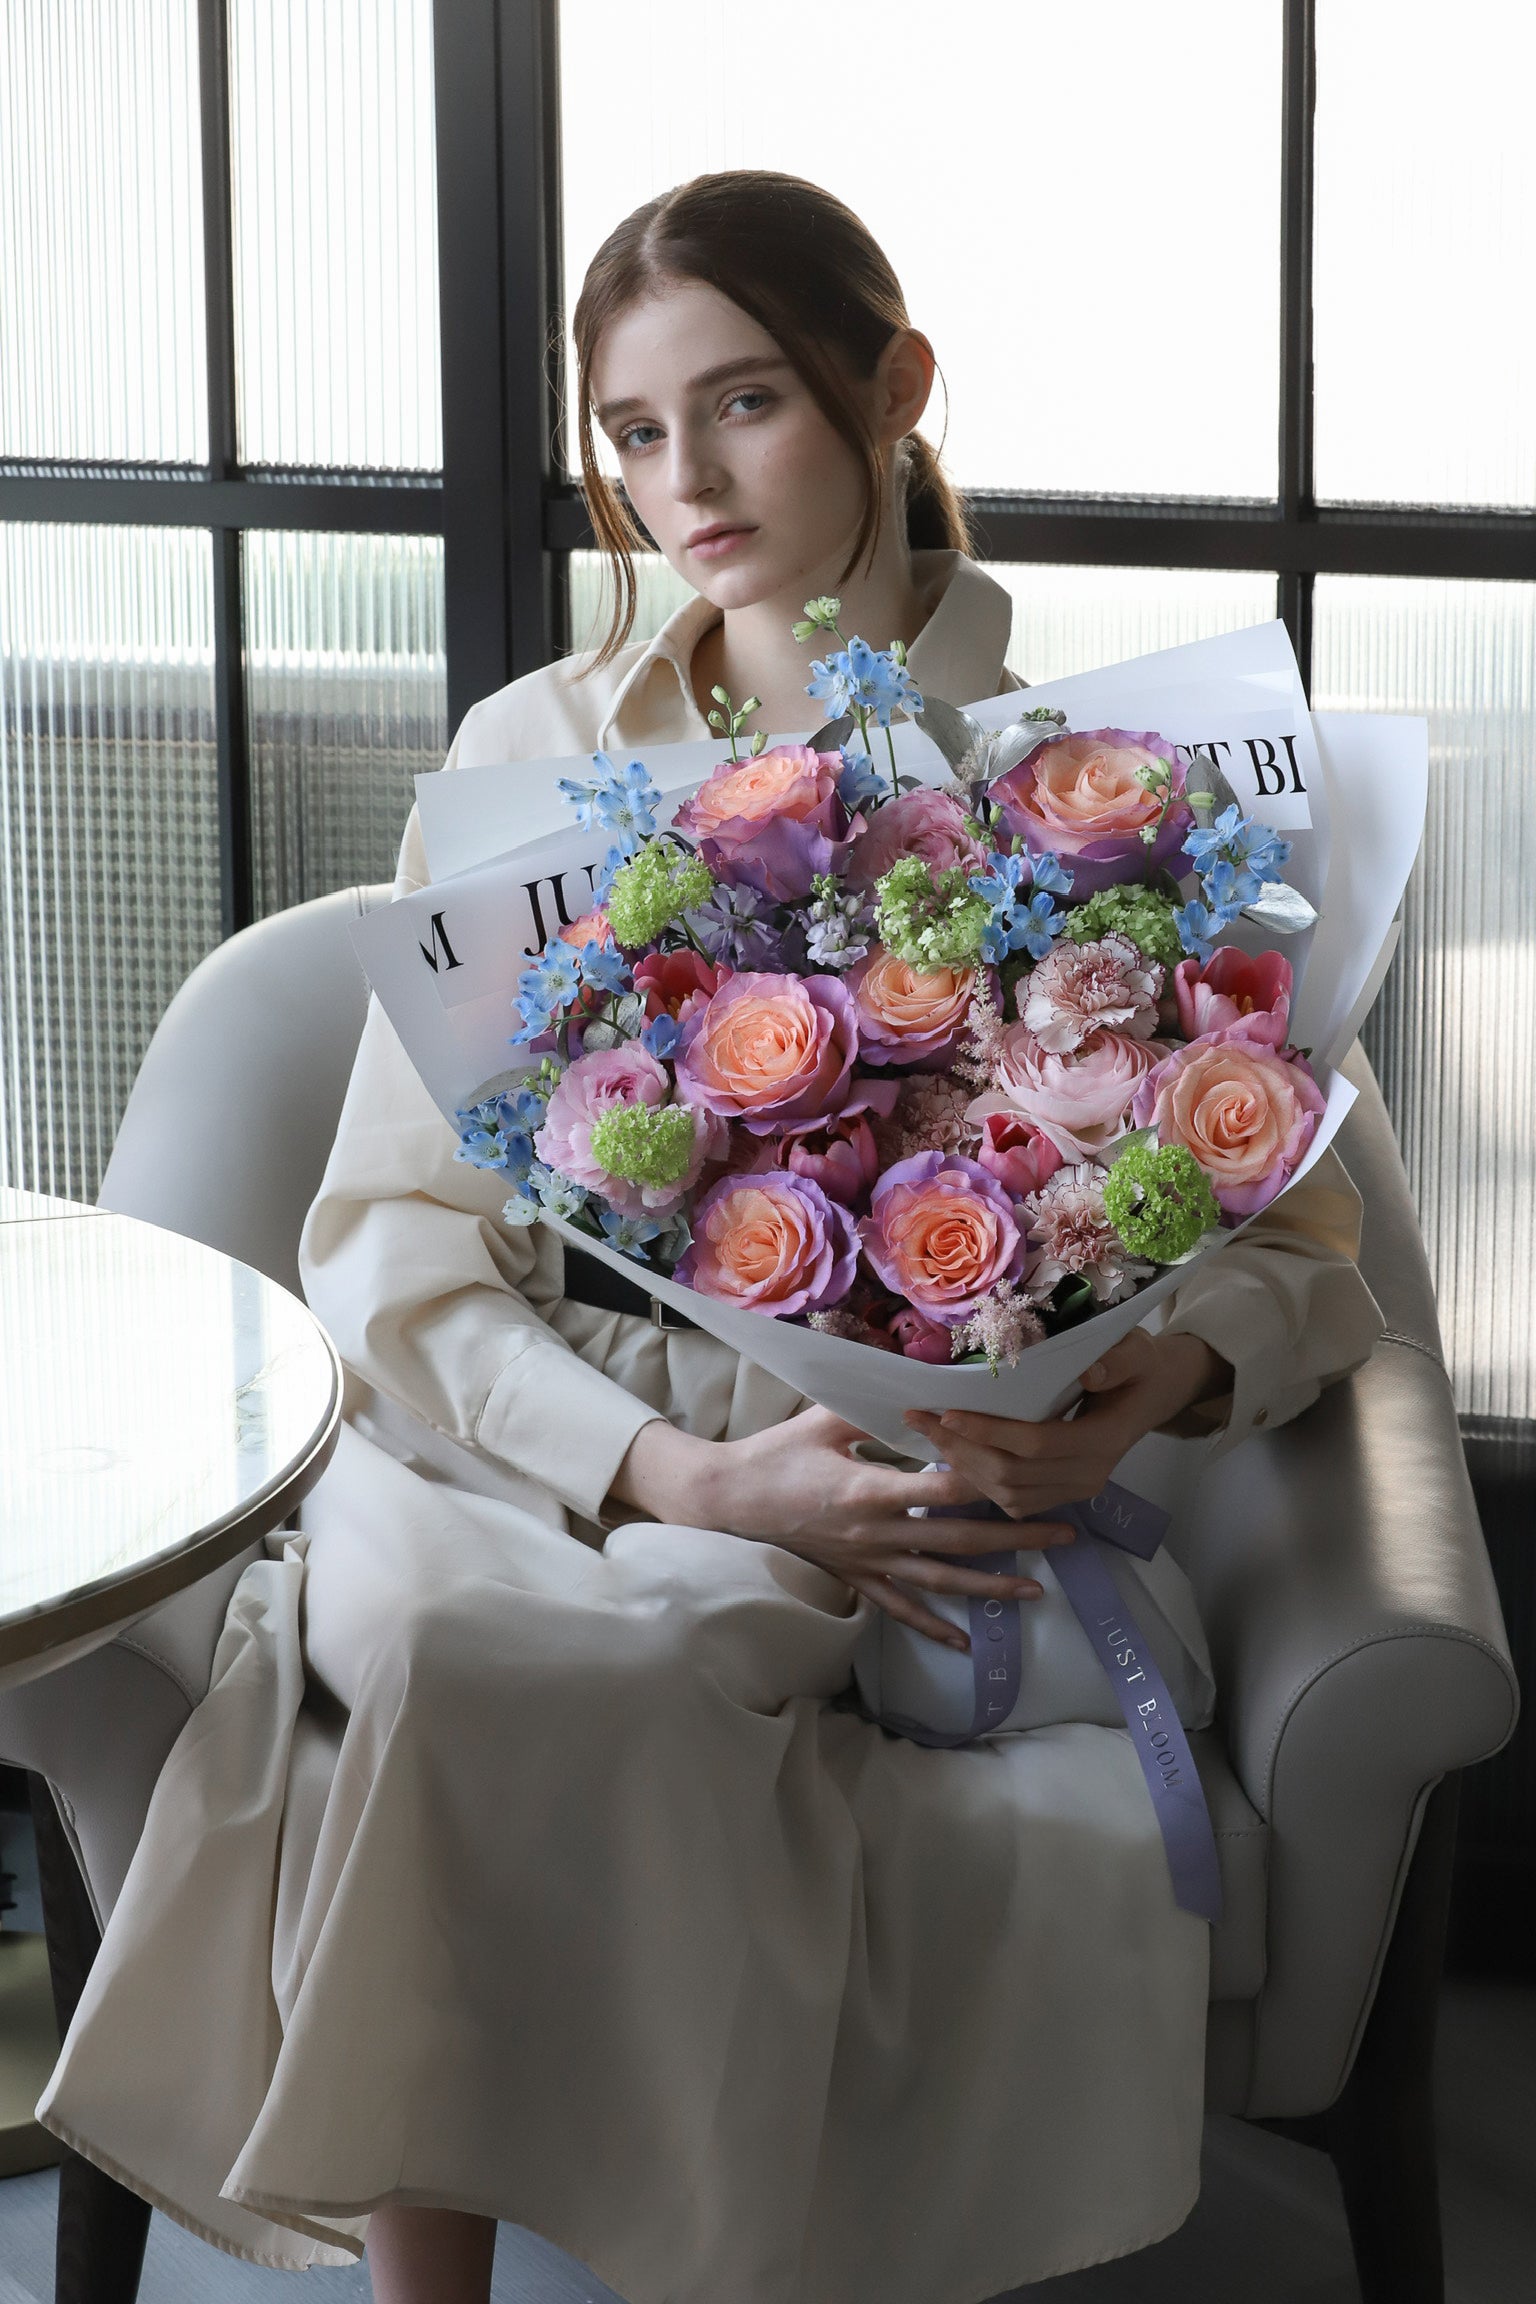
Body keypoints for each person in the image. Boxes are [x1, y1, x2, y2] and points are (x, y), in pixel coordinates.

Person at [39, 173, 1383, 2304]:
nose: (685, 482)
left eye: (743, 403)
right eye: (637, 433)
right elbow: (386, 1241)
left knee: (594, 1669)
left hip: (869, 1474)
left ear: (892, 385)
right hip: (517, 1441)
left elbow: (1314, 1241)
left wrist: (1152, 1379)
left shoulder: (1098, 778)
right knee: (482, 1649)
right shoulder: (527, 759)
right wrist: (663, 1470)